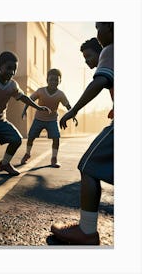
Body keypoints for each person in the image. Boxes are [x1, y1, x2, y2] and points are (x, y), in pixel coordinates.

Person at [50, 22, 114, 245]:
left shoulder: (111, 49)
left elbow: (100, 82)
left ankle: (87, 231)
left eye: (99, 27)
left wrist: (73, 110)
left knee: (88, 167)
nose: (87, 61)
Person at [20, 68, 78, 168]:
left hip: (52, 120)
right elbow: (29, 100)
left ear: (60, 81)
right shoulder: (40, 91)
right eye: (51, 79)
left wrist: (73, 115)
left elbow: (68, 106)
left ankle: (54, 158)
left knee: (56, 138)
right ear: (47, 80)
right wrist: (24, 110)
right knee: (31, 137)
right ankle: (27, 154)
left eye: (56, 80)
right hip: (38, 119)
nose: (53, 82)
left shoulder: (60, 94)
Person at [81, 37, 114, 120]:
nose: (86, 61)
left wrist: (73, 110)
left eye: (88, 56)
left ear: (101, 54)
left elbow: (97, 84)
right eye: (85, 58)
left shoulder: (108, 62)